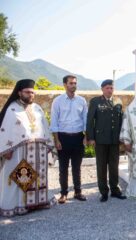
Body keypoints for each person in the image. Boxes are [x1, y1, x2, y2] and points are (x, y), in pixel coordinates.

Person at [0, 79, 55, 216]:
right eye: (27, 92)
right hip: (18, 152)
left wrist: (49, 144)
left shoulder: (37, 108)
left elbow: (45, 127)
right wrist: (5, 150)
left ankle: (38, 202)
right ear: (19, 92)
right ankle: (20, 205)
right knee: (19, 178)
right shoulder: (12, 108)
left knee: (38, 177)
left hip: (38, 150)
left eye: (32, 92)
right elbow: (5, 130)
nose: (31, 95)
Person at [86, 79, 126, 202]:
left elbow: (120, 121)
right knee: (101, 166)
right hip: (101, 140)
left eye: (111, 88)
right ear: (102, 89)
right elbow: (90, 120)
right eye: (107, 88)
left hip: (114, 140)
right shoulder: (95, 101)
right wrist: (91, 137)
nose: (110, 90)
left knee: (114, 166)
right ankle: (103, 192)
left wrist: (122, 137)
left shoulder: (118, 102)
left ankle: (115, 190)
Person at [50, 75, 87, 203]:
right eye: (71, 83)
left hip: (78, 138)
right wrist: (56, 140)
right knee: (63, 168)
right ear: (65, 85)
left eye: (75, 83)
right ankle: (63, 193)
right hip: (63, 138)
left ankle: (78, 192)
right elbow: (54, 121)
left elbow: (85, 120)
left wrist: (86, 137)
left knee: (77, 167)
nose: (73, 85)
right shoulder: (57, 101)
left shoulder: (81, 101)